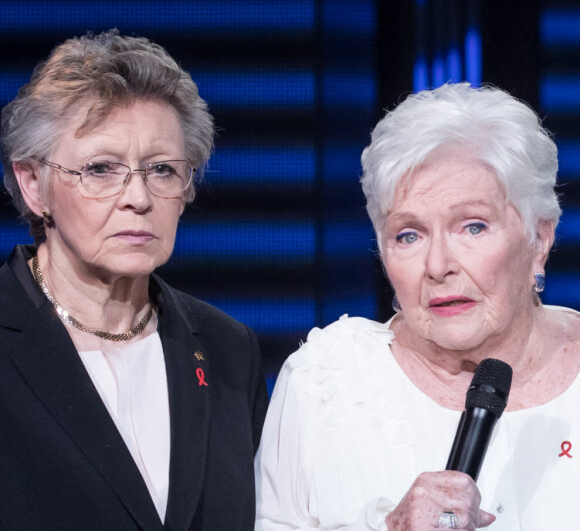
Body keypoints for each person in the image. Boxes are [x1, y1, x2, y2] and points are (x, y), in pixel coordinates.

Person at [254, 82, 580, 530]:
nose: (438, 265)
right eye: (409, 235)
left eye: (472, 227)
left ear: (539, 239)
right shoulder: (324, 387)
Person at [0, 30, 268, 530]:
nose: (139, 198)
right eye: (101, 168)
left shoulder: (228, 349)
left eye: (162, 169)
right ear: (34, 185)